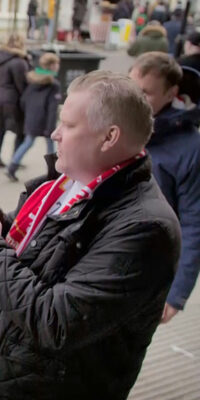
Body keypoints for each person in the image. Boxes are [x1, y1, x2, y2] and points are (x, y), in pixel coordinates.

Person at [0, 70, 181, 399]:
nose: (54, 134)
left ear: (109, 137)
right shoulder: (69, 184)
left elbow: (55, 321)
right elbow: (36, 250)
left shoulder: (145, 229)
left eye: (68, 125)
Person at [129, 52, 200, 324]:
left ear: (171, 94)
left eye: (145, 93)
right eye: (131, 87)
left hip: (146, 268)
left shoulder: (190, 148)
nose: (134, 98)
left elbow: (194, 223)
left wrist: (177, 293)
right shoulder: (121, 121)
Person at [6, 52, 60, 181]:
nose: (58, 66)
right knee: (50, 145)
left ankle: (12, 166)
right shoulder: (54, 84)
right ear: (52, 66)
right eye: (57, 64)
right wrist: (50, 127)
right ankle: (53, 171)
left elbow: (24, 100)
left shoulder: (33, 80)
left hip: (32, 118)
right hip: (46, 120)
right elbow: (53, 108)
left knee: (28, 142)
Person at [0, 33, 28, 168]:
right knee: (20, 131)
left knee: (0, 129)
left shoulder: (0, 56)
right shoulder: (19, 62)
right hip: (11, 100)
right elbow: (21, 85)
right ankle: (15, 159)